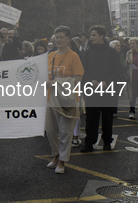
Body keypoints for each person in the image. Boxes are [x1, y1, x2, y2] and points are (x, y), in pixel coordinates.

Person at [44, 26, 84, 174]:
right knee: (51, 131)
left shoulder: (74, 56)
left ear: (68, 39)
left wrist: (57, 83)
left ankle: (62, 161)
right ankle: (55, 156)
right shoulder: (51, 55)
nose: (58, 40)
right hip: (50, 99)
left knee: (66, 132)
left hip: (67, 100)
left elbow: (78, 79)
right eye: (57, 37)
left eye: (61, 37)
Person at [81, 25, 121, 153]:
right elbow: (84, 69)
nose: (91, 37)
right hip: (92, 88)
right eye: (91, 35)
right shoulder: (88, 51)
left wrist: (106, 82)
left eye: (93, 35)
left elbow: (117, 71)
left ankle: (107, 141)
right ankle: (89, 142)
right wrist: (89, 79)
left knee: (107, 116)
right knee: (91, 116)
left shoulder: (111, 52)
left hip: (107, 88)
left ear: (101, 36)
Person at [126, 38, 138, 119]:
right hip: (132, 77)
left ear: (137, 44)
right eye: (131, 43)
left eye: (133, 43)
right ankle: (132, 111)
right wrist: (127, 63)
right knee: (132, 95)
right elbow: (126, 65)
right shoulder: (128, 53)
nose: (132, 45)